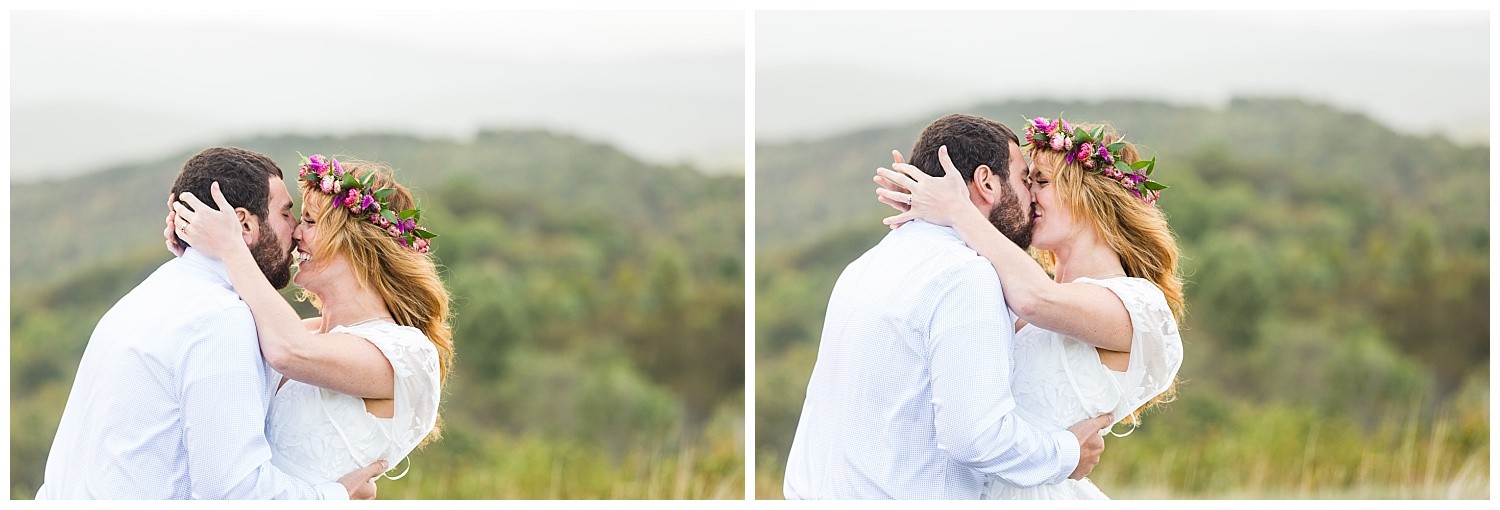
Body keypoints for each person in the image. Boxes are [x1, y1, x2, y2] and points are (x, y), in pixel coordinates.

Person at [783, 114, 1112, 500]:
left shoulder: (864, 266)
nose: (1032, 196)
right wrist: (1067, 454)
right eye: (1025, 180)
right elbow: (976, 437)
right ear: (987, 183)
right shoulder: (964, 277)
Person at [37, 147, 386, 499]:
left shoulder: (147, 296)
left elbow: (307, 335)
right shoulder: (221, 320)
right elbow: (233, 490)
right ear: (245, 225)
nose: (295, 231)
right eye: (285, 214)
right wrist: (335, 497)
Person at [874, 116, 1184, 499]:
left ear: (1089, 194)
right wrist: (927, 210)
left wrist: (958, 210)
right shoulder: (1016, 284)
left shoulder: (1136, 305)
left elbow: (1037, 300)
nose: (1028, 195)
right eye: (1027, 181)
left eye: (1040, 181)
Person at [169, 153, 453, 490]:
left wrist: (232, 248)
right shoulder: (305, 331)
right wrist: (198, 251)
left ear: (354, 242)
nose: (295, 232)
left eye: (310, 221)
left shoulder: (404, 352)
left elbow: (288, 352)